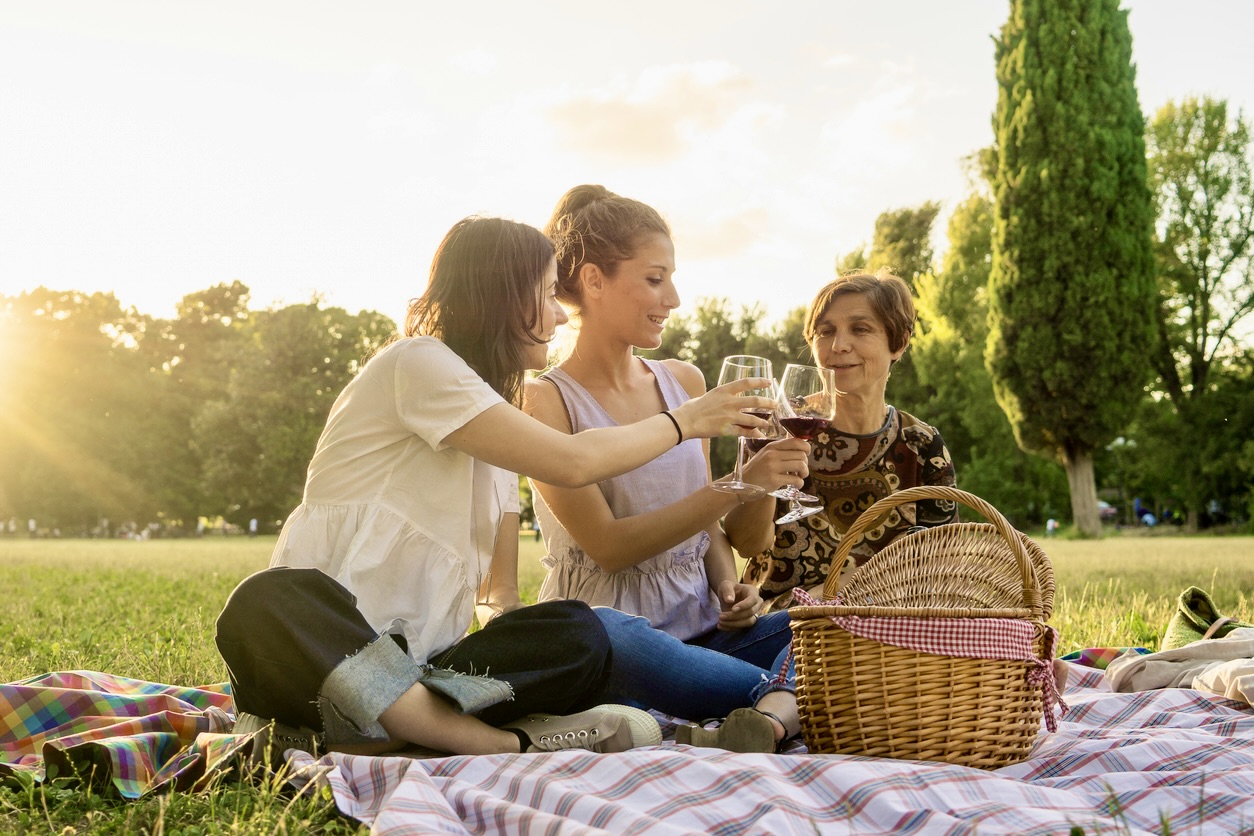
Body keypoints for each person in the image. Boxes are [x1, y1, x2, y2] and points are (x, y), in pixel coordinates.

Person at [214, 217, 777, 759]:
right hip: (321, 654)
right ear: (503, 295)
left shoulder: (496, 431)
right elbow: (573, 461)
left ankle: (390, 726)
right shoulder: (417, 362)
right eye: (548, 293)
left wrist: (529, 638)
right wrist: (690, 420)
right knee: (269, 597)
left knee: (583, 630)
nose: (560, 315)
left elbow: (497, 595)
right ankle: (495, 741)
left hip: (429, 674)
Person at [525, 185, 812, 752]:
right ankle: (785, 702)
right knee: (614, 637)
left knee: (829, 622)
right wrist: (738, 487)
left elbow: (705, 523)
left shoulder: (683, 381)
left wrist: (731, 588)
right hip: (625, 644)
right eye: (655, 279)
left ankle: (752, 715)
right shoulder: (545, 402)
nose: (674, 298)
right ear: (593, 280)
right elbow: (609, 546)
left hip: (708, 637)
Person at [725, 269, 959, 611]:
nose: (838, 346)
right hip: (784, 622)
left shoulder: (922, 445)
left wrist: (827, 594)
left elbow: (938, 564)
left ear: (900, 342)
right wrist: (763, 480)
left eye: (860, 329)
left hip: (887, 622)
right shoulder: (778, 425)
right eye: (826, 331)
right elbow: (746, 544)